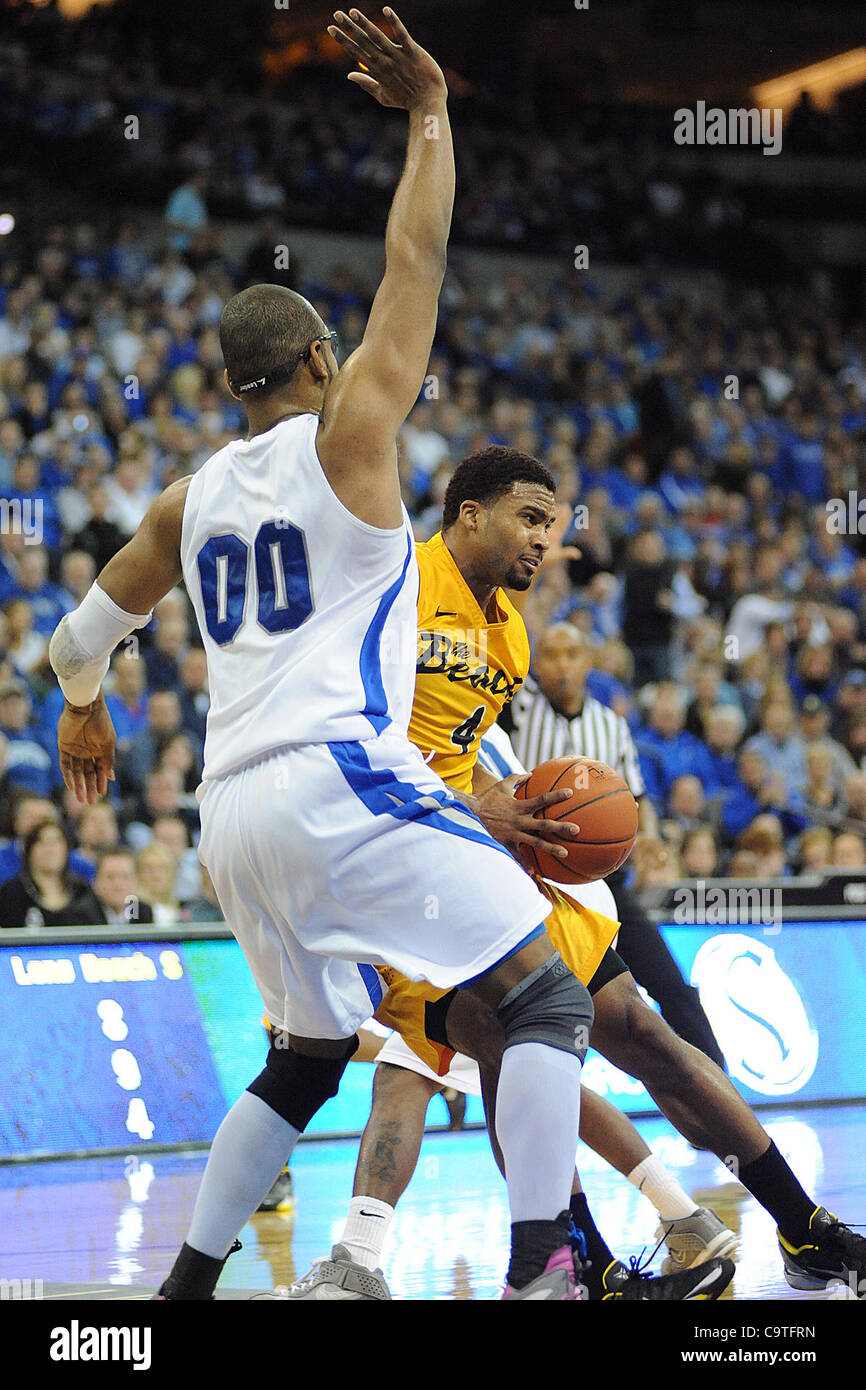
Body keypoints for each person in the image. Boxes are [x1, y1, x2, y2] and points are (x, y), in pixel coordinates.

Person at [50, 8, 599, 1303]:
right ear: (316, 359)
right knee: (543, 1004)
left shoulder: (187, 496)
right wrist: (429, 112)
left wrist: (85, 710)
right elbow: (418, 254)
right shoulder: (353, 430)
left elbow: (83, 635)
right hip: (342, 776)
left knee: (301, 1059)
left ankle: (181, 1294)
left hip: (228, 817)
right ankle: (545, 1267)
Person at [292, 449, 866, 1299]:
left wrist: (518, 811)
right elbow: (352, 734)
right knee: (490, 1044)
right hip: (393, 870)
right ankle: (574, 1260)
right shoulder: (398, 585)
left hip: (479, 856)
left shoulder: (509, 634)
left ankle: (801, 1227)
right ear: (470, 513)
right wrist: (474, 808)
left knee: (640, 1033)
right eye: (527, 517)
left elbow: (461, 760)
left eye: (550, 525)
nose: (542, 538)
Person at [506, 622, 726, 1068]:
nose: (561, 664)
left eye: (572, 654)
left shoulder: (612, 725)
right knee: (523, 1002)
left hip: (600, 880)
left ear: (589, 661)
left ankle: (723, 1090)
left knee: (670, 986)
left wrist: (648, 838)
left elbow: (635, 803)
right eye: (550, 654)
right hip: (530, 880)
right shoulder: (519, 710)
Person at [0, 819, 101, 927]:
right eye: (42, 842)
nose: (50, 849)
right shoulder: (12, 892)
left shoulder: (81, 889)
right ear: (29, 850)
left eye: (56, 842)